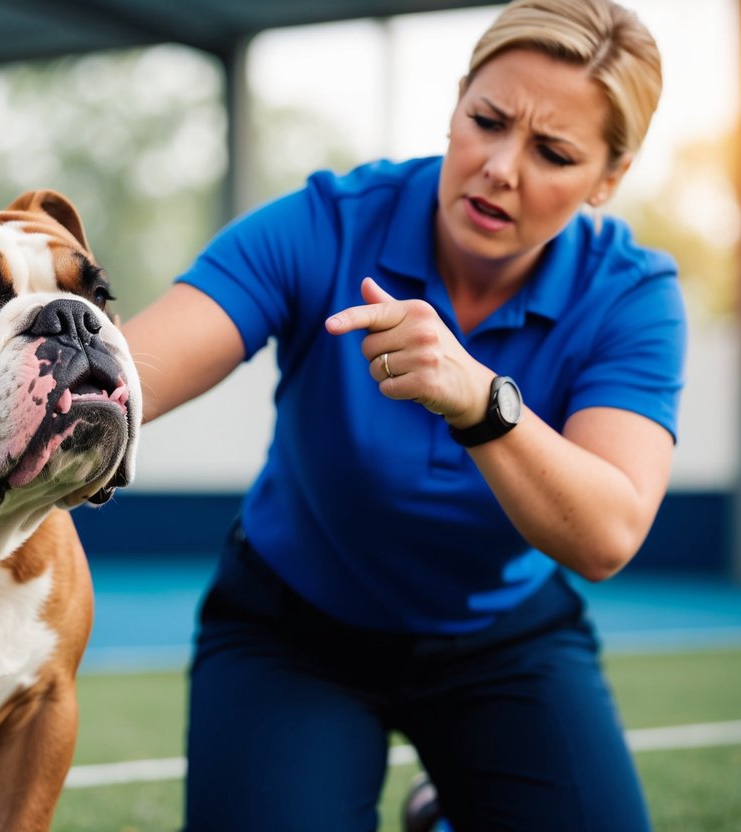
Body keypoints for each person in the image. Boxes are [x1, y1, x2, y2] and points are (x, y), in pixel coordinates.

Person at [122, 0, 682, 828]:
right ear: (455, 103)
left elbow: (605, 536)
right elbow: (128, 379)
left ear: (608, 177)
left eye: (553, 153)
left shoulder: (631, 294)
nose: (499, 168)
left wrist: (479, 402)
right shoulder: (326, 223)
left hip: (503, 639)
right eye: (486, 121)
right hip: (292, 631)